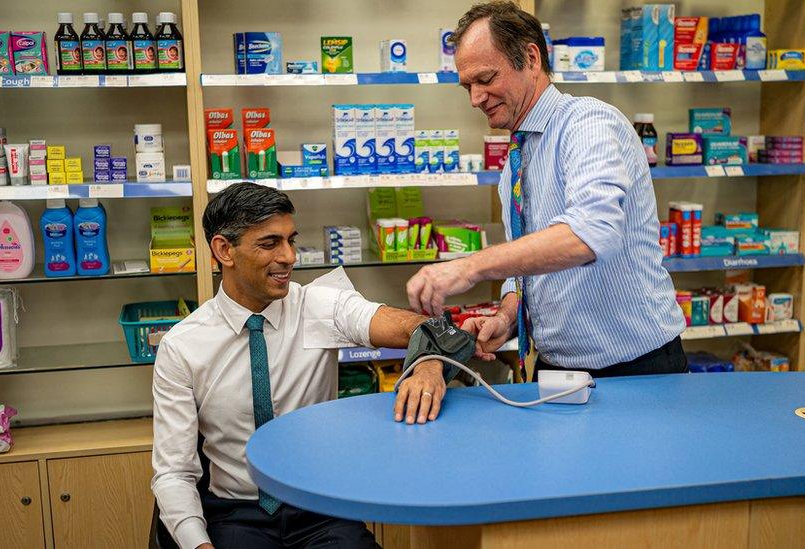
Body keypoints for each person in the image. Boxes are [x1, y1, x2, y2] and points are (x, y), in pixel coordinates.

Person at [152, 183, 448, 549]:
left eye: (291, 240)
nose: (289, 256)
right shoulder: (182, 346)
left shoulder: (320, 306)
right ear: (224, 250)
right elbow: (174, 472)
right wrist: (199, 545)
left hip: (320, 509)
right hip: (236, 515)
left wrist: (428, 366)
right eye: (269, 243)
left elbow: (420, 327)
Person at [406, 1, 687, 380]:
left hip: (637, 369)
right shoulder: (516, 163)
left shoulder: (587, 123)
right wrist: (507, 317)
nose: (475, 98)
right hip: (558, 369)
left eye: (486, 79)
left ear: (531, 58)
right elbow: (526, 269)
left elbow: (591, 233)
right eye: (467, 86)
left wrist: (470, 267)